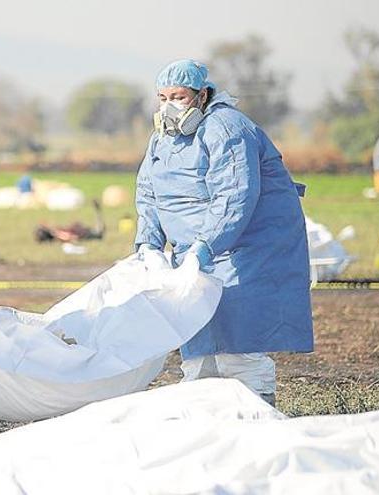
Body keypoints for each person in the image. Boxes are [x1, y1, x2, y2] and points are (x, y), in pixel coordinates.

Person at [134, 59, 313, 406]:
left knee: (238, 346)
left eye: (179, 97)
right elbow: (150, 193)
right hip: (193, 253)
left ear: (202, 96)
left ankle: (257, 413)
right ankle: (207, 426)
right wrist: (149, 245)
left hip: (244, 250)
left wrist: (204, 247)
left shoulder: (227, 129)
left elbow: (234, 195)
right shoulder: (161, 141)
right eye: (162, 97)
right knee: (199, 348)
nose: (169, 105)